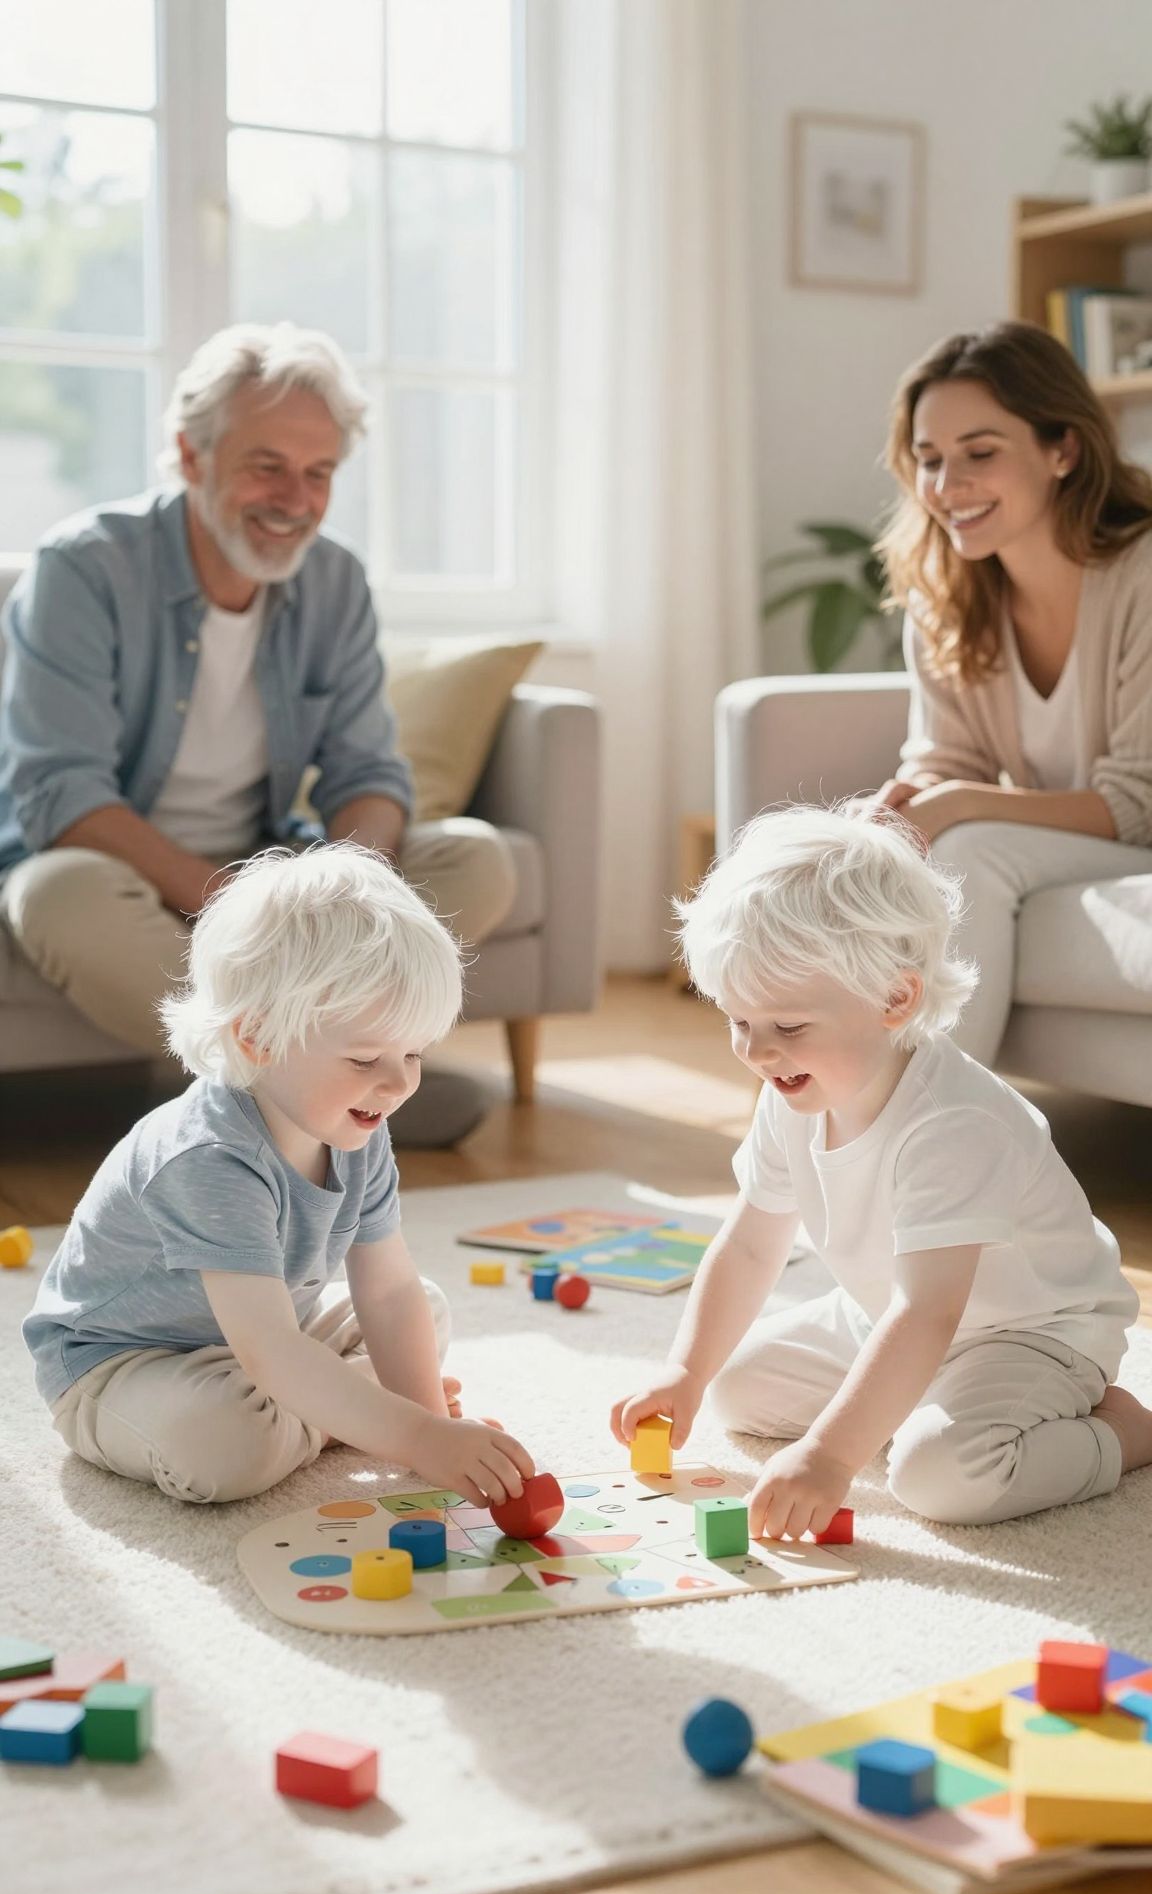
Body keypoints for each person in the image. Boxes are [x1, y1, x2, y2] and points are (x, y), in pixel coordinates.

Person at [0, 322, 518, 1145]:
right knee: (55, 895)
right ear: (192, 454)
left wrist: (348, 896)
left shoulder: (335, 581)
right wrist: (250, 914)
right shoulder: (85, 569)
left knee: (476, 857)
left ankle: (260, 1097)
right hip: (124, 880)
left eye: (319, 474)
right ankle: (320, 1098)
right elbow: (63, 799)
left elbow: (370, 775)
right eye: (267, 466)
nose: (296, 500)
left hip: (270, 869)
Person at [610, 806, 1152, 1535]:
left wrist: (831, 1456)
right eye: (740, 1023)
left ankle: (1125, 1433)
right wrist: (685, 1371)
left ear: (895, 999)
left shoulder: (954, 1123)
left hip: (1032, 1330)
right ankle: (906, 1394)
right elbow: (748, 1245)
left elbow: (930, 1311)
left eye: (789, 1027)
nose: (758, 1054)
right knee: (737, 1387)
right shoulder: (791, 1091)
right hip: (887, 1311)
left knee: (940, 1477)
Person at [24, 842, 535, 1507]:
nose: (399, 1082)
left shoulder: (353, 1126)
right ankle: (340, 1413)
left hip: (261, 1338)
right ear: (256, 1039)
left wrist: (430, 1423)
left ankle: (341, 1406)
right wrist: (415, 1437)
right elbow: (269, 1350)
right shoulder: (209, 1157)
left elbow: (385, 1295)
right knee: (223, 1448)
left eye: (413, 1051)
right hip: (123, 1365)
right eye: (364, 1058)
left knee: (421, 1308)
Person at [867, 319, 1152, 1065]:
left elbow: (1138, 805)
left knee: (977, 850)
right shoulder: (944, 597)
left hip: (1142, 842)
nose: (946, 487)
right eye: (929, 460)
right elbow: (947, 756)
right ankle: (831, 1135)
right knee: (865, 853)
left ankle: (936, 1144)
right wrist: (912, 799)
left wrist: (958, 802)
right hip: (1070, 846)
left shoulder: (1142, 577)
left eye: (980, 454)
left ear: (1064, 449)